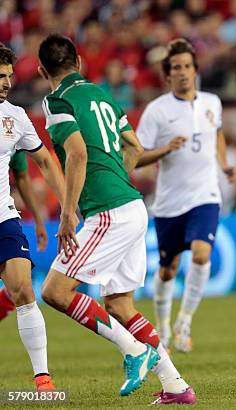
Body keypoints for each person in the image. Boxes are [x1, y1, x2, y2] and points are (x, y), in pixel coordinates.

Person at [36, 34, 196, 404]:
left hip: (108, 211)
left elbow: (76, 154)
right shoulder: (102, 94)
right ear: (79, 60)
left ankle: (134, 351)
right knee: (120, 306)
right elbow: (135, 148)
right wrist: (118, 179)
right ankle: (176, 386)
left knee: (55, 291)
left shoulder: (57, 100)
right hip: (132, 206)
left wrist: (66, 212)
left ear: (42, 70)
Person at [136, 38, 236, 353]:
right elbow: (136, 157)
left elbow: (217, 133)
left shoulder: (212, 103)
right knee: (168, 270)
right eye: (176, 68)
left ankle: (185, 322)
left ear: (195, 71)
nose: (182, 72)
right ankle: (164, 326)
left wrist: (223, 164)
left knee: (201, 254)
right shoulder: (156, 111)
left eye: (187, 67)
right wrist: (166, 149)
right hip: (169, 202)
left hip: (205, 194)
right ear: (167, 76)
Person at [0, 42, 68, 391]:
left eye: (9, 76)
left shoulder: (16, 116)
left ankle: (42, 378)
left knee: (24, 289)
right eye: (0, 76)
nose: (6, 82)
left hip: (3, 217)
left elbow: (43, 162)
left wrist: (68, 202)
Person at [0, 150, 50, 321]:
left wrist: (39, 219)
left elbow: (24, 174)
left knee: (24, 290)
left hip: (4, 219)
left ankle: (39, 350)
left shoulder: (12, 126)